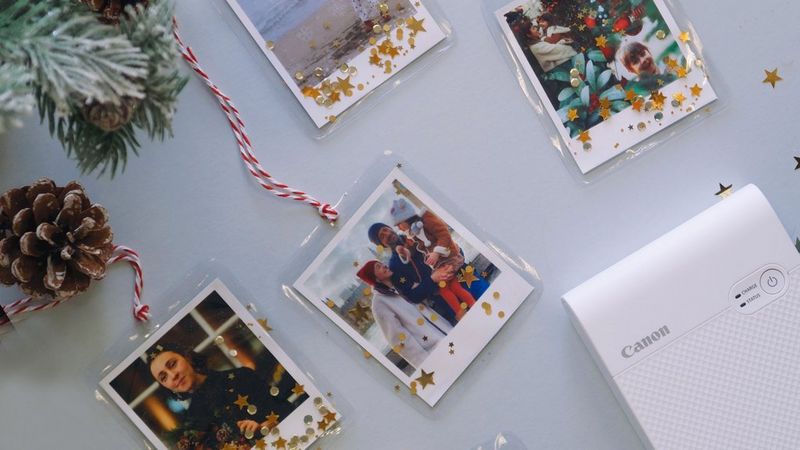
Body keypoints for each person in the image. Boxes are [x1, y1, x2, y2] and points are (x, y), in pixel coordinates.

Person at [147, 345, 301, 448]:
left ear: (187, 357)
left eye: (172, 364)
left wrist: (267, 425)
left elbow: (287, 410)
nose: (173, 376)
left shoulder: (242, 377)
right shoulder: (193, 423)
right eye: (163, 377)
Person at [389, 198, 476, 320]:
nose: (399, 227)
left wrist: (436, 252)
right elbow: (415, 247)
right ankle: (467, 308)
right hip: (441, 264)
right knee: (451, 287)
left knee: (446, 288)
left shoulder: (426, 220)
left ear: (406, 217)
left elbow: (444, 233)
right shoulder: (412, 232)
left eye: (399, 223)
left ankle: (463, 310)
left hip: (448, 259)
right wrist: (406, 252)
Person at [357, 260, 452, 368]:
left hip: (447, 332)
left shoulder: (401, 283)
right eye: (378, 267)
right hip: (435, 351)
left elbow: (423, 297)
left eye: (381, 263)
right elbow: (398, 339)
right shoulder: (379, 304)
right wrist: (425, 364)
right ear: (375, 278)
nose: (384, 265)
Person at [367, 222, 458, 326]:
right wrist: (433, 279)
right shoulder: (394, 266)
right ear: (382, 245)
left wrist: (450, 264)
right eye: (382, 236)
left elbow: (450, 245)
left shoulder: (416, 236)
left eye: (385, 229)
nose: (387, 234)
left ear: (390, 228)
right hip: (443, 302)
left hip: (459, 277)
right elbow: (412, 296)